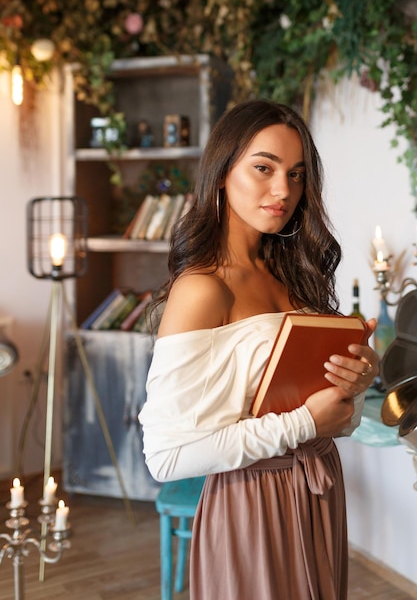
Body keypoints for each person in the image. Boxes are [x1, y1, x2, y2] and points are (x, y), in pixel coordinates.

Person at [139, 100, 379, 600]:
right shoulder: (203, 289)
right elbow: (164, 457)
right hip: (251, 505)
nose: (283, 190)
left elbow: (332, 418)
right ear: (222, 173)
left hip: (318, 493)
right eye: (263, 168)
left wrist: (354, 386)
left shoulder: (297, 278)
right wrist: (304, 425)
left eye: (296, 174)